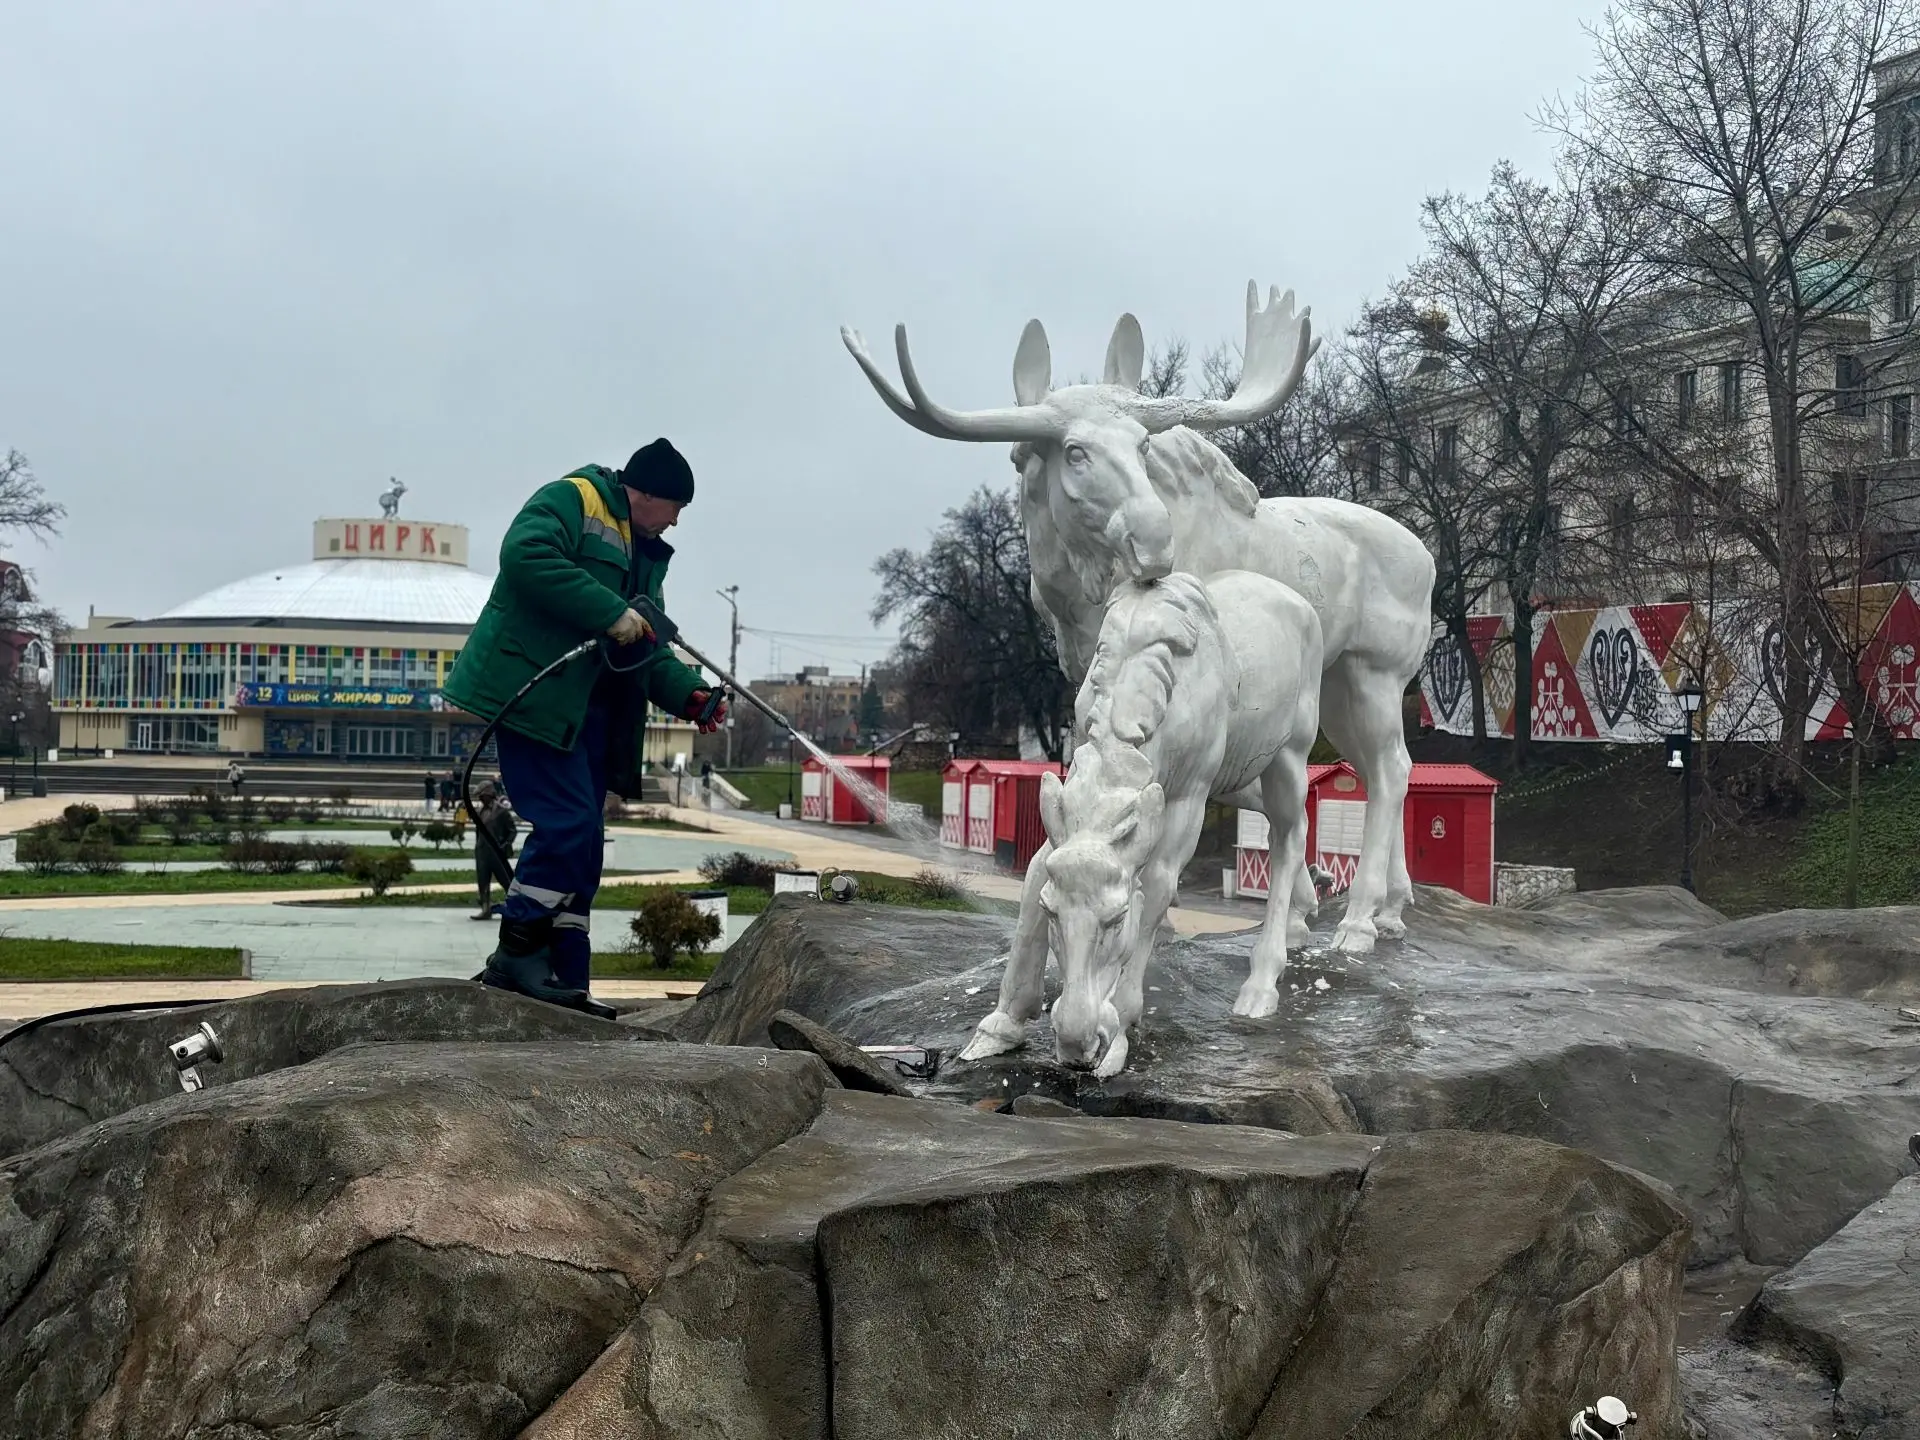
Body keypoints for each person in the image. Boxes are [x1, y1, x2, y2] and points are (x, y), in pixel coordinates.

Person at [444, 439, 728, 1015]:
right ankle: (517, 952)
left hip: (592, 712)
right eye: (674, 506)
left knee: (585, 848)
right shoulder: (574, 499)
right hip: (537, 696)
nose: (676, 519)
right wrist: (611, 612)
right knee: (569, 826)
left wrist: (693, 696)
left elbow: (646, 644)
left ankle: (567, 977)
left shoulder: (647, 552)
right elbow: (524, 554)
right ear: (643, 493)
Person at [472, 784, 517, 920]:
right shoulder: (480, 811)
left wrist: (506, 845)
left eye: (482, 796)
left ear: (489, 794)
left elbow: (512, 830)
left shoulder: (501, 811)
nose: (480, 799)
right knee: (483, 881)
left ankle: (516, 907)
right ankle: (485, 909)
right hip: (482, 852)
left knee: (506, 880)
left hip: (497, 853)